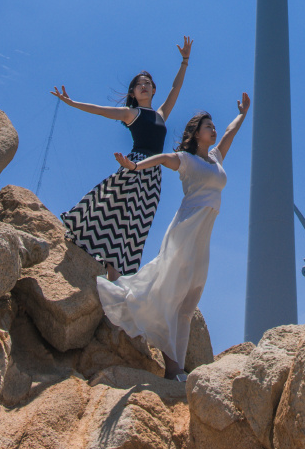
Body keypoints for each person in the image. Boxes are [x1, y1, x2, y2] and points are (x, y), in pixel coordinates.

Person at [97, 92, 251, 380]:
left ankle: (175, 370)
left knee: (188, 304)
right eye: (208, 126)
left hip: (203, 236)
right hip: (184, 231)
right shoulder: (186, 160)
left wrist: (243, 113)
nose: (213, 129)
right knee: (172, 294)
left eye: (213, 126)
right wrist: (133, 166)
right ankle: (173, 366)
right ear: (195, 133)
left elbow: (230, 133)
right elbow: (161, 158)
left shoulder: (216, 158)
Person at [51, 37, 193, 281]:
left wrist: (185, 60)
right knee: (115, 212)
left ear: (153, 89)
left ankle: (116, 275)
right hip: (133, 168)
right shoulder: (132, 113)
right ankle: (107, 267)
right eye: (139, 85)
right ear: (133, 92)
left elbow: (176, 89)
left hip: (153, 176)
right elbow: (99, 110)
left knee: (138, 224)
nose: (144, 86)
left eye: (148, 83)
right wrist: (71, 102)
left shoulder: (160, 114)